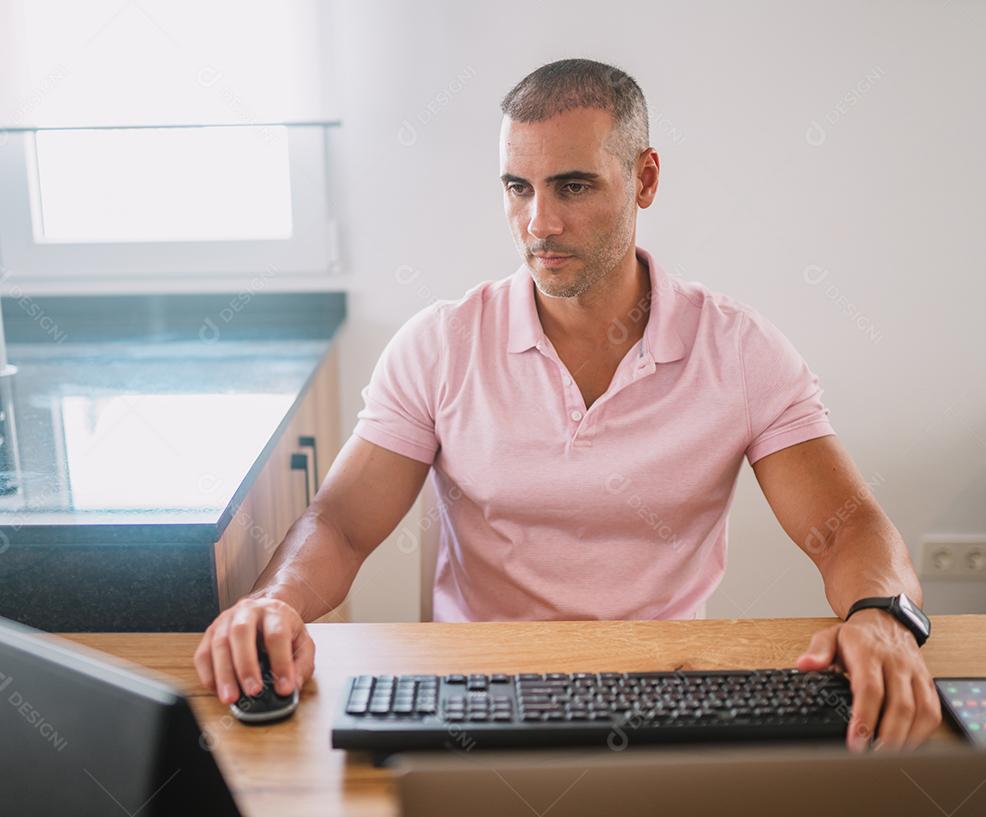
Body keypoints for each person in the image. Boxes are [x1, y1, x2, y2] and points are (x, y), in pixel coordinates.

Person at [194, 58, 941, 753]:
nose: (539, 223)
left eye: (573, 186)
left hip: (664, 693)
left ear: (645, 179)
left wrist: (882, 617)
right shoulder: (443, 343)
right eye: (518, 187)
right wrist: (279, 599)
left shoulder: (740, 350)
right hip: (477, 698)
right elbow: (343, 524)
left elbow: (849, 529)